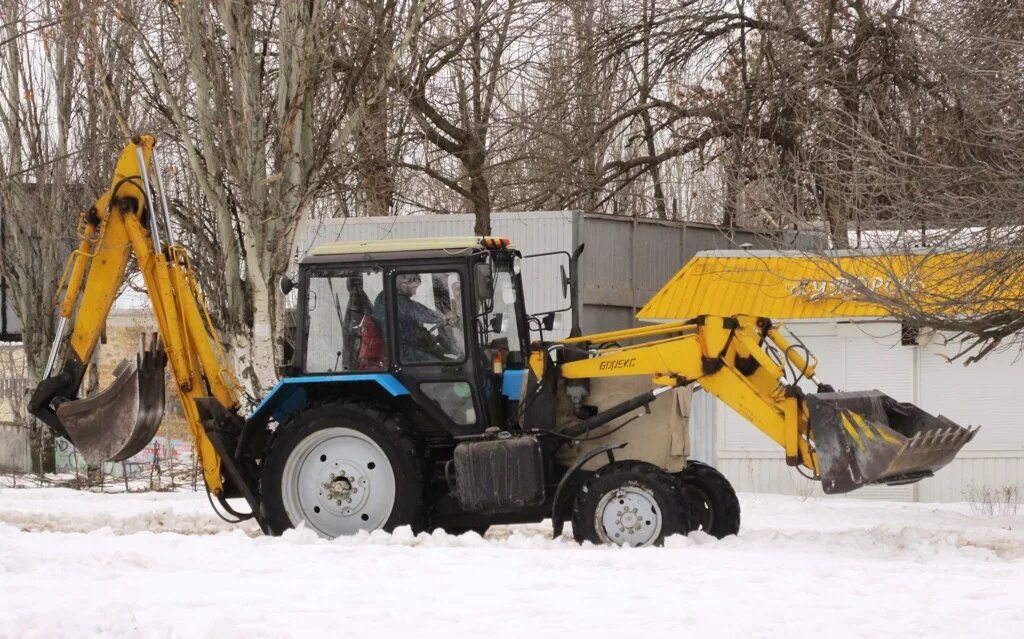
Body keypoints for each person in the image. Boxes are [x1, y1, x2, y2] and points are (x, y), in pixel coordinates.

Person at [374, 273, 459, 362]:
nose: (414, 292)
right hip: (403, 350)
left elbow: (410, 316)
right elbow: (419, 312)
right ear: (404, 285)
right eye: (414, 288)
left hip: (402, 343)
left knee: (447, 359)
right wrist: (443, 317)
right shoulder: (397, 301)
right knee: (442, 367)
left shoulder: (386, 294)